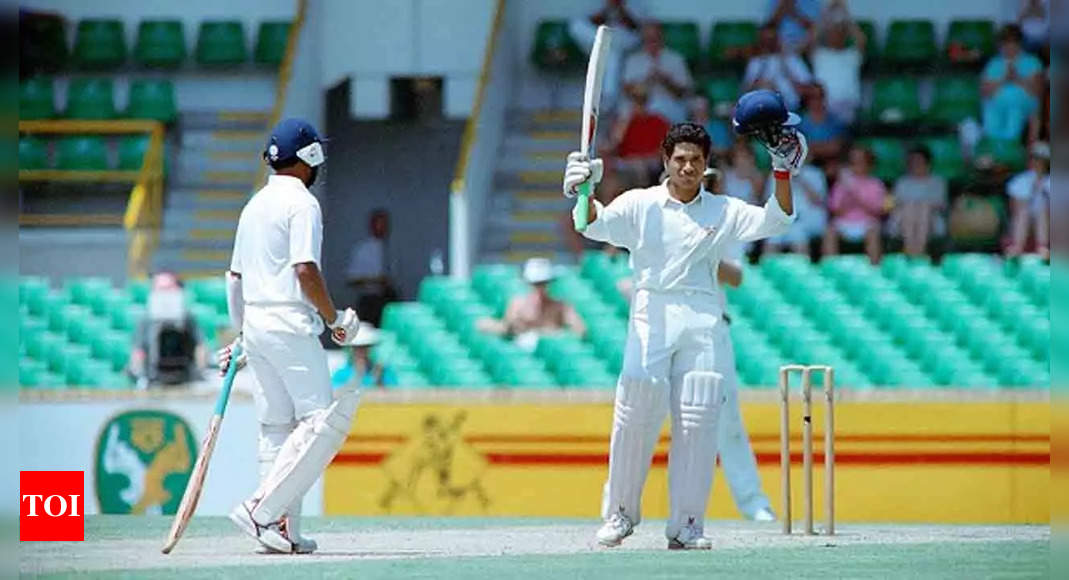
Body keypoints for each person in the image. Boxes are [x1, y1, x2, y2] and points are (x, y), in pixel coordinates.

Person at [562, 90, 805, 549]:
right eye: (679, 159)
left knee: (698, 417)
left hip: (702, 312)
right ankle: (619, 514)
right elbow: (589, 225)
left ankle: (687, 524)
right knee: (635, 406)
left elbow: (779, 220)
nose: (687, 168)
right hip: (652, 308)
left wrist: (782, 170)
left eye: (695, 160)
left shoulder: (723, 209)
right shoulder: (640, 204)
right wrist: (582, 189)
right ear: (665, 160)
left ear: (706, 162)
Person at [218, 118, 361, 554]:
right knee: (322, 423)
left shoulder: (254, 205)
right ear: (311, 157)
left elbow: (234, 278)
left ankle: (280, 529)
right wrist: (334, 318)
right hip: (289, 321)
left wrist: (243, 333)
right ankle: (262, 510)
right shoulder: (302, 204)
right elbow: (304, 269)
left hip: (258, 322)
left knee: (277, 426)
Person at [477, 258, 586, 352]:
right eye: (535, 284)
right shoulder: (517, 304)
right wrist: (517, 325)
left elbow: (580, 331)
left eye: (543, 283)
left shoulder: (561, 306)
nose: (539, 288)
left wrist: (548, 333)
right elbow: (507, 328)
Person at [127, 272, 206, 387]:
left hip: (185, 379)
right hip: (154, 379)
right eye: (161, 289)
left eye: (169, 288)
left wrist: (199, 373)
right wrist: (139, 376)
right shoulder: (146, 320)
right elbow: (138, 351)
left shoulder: (188, 318)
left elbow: (200, 346)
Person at [568, 0, 644, 111]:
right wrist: (607, 9)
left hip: (624, 38)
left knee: (612, 51)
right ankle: (608, 101)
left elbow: (636, 27)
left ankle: (607, 101)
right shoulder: (600, 3)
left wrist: (621, 9)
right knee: (576, 25)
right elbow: (593, 21)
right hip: (598, 40)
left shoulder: (636, 4)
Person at [823, 146, 888, 264]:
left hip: (867, 223)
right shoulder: (841, 183)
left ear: (868, 164)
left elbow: (877, 211)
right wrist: (847, 192)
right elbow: (836, 211)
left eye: (859, 162)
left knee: (873, 232)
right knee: (830, 231)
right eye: (853, 162)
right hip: (844, 222)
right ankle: (830, 266)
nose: (855, 165)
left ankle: (874, 269)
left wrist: (854, 193)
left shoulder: (876, 184)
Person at [621, 21, 694, 124]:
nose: (652, 42)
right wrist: (647, 81)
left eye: (655, 38)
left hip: (669, 103)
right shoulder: (633, 60)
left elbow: (682, 93)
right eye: (648, 38)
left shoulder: (675, 59)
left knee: (661, 109)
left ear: (662, 38)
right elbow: (627, 90)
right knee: (626, 112)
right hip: (640, 105)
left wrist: (665, 81)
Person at [980, 24, 1044, 141]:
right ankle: (994, 148)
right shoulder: (994, 63)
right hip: (996, 104)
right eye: (1004, 43)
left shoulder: (1032, 62)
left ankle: (1009, 149)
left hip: (1023, 104)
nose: (1008, 47)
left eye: (1012, 43)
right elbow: (985, 92)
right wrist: (1004, 79)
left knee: (1013, 112)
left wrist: (1017, 78)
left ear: (1019, 44)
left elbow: (1037, 91)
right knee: (990, 113)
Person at [808, 5, 865, 124]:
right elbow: (812, 37)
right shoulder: (820, 55)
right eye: (832, 32)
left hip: (847, 105)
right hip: (822, 107)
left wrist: (845, 12)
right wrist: (827, 12)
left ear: (845, 35)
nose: (836, 36)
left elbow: (861, 39)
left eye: (839, 32)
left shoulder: (851, 55)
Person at [890, 146, 948, 257]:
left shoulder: (937, 181)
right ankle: (911, 250)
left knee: (923, 209)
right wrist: (913, 207)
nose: (916, 164)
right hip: (902, 219)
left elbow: (940, 204)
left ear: (927, 163)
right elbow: (895, 203)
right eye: (913, 161)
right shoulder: (902, 182)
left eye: (919, 161)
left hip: (932, 219)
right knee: (910, 209)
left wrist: (921, 206)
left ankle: (918, 251)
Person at [742, 23, 813, 111]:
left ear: (778, 39)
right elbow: (746, 91)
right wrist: (760, 81)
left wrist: (786, 68)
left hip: (791, 106)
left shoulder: (792, 59)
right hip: (762, 107)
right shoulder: (755, 62)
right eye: (765, 40)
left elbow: (807, 87)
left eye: (771, 39)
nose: (769, 43)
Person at [762, 162, 828, 256]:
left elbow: (819, 201)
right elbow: (770, 202)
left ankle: (802, 269)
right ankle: (768, 268)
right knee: (773, 237)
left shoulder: (815, 173)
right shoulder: (776, 174)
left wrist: (800, 180)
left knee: (797, 233)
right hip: (783, 219)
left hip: (808, 219)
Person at [345, 209, 397, 328]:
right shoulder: (362, 249)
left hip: (388, 300)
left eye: (385, 224)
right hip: (370, 300)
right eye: (379, 223)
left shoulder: (391, 249)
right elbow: (351, 279)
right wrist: (376, 281)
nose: (382, 227)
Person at [1005, 141, 1050, 258]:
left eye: (1041, 159)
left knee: (1042, 212)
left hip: (1049, 223)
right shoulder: (1019, 181)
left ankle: (1042, 247)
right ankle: (1017, 247)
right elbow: (1014, 208)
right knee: (1024, 212)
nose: (1038, 163)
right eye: (1035, 158)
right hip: (1023, 222)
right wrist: (1034, 190)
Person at [331, 322, 397, 389]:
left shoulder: (384, 372)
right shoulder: (340, 374)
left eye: (365, 347)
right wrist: (357, 377)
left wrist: (379, 379)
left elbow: (394, 394)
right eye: (357, 348)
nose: (361, 352)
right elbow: (338, 395)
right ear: (352, 349)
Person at [797, 85, 847, 169]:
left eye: (819, 97)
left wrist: (812, 148)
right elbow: (798, 148)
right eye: (812, 97)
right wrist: (823, 147)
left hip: (830, 164)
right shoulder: (800, 121)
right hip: (807, 164)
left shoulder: (835, 121)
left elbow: (835, 147)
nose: (816, 101)